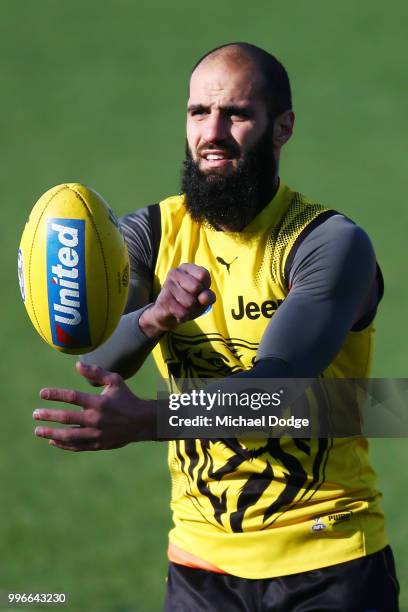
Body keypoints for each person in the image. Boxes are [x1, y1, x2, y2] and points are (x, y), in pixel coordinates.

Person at [33, 43, 400, 611]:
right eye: (199, 113)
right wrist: (153, 319)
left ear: (282, 128)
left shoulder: (327, 244)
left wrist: (151, 419)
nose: (213, 133)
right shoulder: (147, 235)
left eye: (237, 114)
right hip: (201, 565)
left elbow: (278, 393)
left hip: (328, 560)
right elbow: (97, 360)